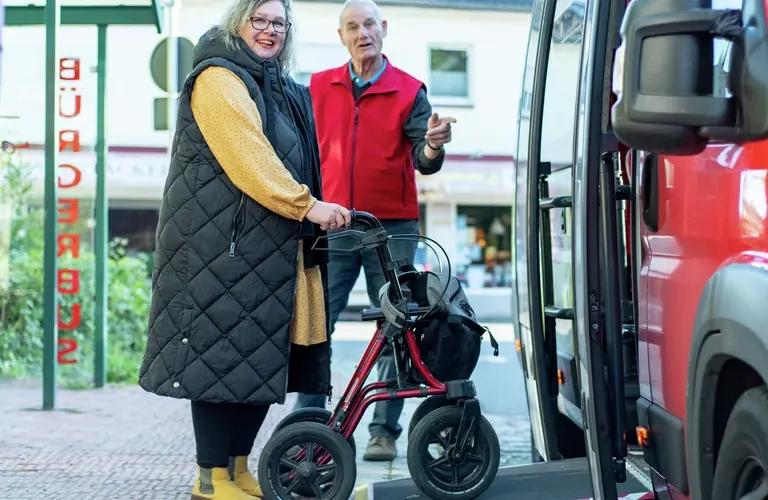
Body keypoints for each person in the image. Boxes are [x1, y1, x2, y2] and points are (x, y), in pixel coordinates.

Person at [137, 1, 351, 498]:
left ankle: (236, 468)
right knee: (220, 358)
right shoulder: (219, 79)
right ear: (238, 22)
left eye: (279, 23)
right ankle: (210, 479)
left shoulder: (278, 86)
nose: (269, 30)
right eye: (260, 20)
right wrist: (308, 206)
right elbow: (250, 158)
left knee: (258, 358)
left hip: (267, 247)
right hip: (220, 250)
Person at [296, 0, 457, 462]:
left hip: (393, 229)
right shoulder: (318, 87)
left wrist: (432, 145)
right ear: (341, 36)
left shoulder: (409, 90)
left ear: (383, 28)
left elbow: (424, 160)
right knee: (316, 323)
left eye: (369, 24)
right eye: (352, 26)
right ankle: (310, 422)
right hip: (332, 223)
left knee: (396, 326)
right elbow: (302, 150)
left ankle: (383, 431)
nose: (362, 33)